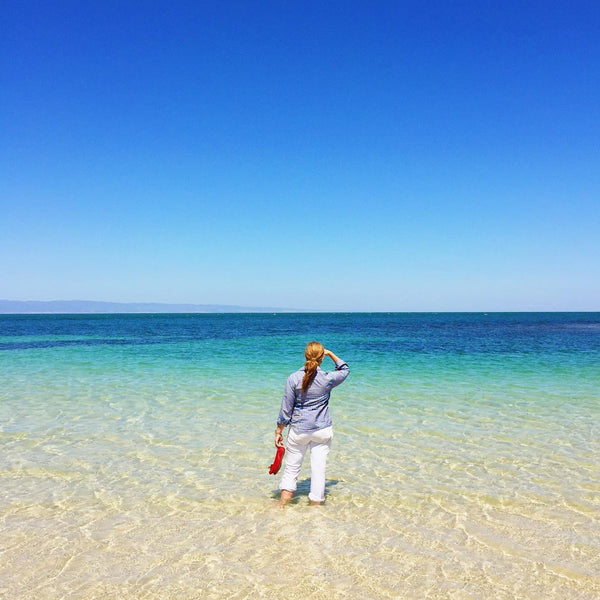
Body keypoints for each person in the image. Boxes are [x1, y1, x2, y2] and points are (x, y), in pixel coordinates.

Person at [274, 341, 349, 506]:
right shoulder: (327, 378)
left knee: (291, 468)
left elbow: (286, 409)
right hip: (322, 430)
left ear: (305, 355)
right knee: (319, 469)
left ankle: (282, 504)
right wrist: (330, 354)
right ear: (321, 358)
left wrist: (279, 431)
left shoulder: (293, 378)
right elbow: (344, 369)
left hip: (299, 429)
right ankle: (315, 507)